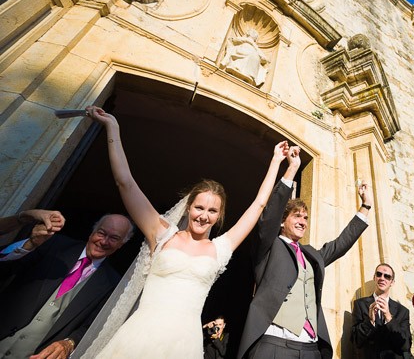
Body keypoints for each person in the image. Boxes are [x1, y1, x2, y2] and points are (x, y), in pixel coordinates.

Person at [83, 105, 289, 358]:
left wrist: (277, 162)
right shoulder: (162, 233)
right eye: (199, 207)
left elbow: (259, 205)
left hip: (184, 344)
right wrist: (112, 127)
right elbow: (125, 181)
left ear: (219, 216)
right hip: (140, 337)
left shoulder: (220, 248)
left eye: (212, 211)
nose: (204, 215)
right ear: (188, 207)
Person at [236, 154, 374, 359]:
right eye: (297, 216)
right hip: (274, 344)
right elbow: (270, 215)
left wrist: (366, 206)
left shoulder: (311, 254)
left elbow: (340, 244)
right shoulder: (268, 245)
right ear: (282, 222)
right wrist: (292, 169)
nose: (303, 222)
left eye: (306, 218)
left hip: (310, 348)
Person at [0, 213, 134, 359]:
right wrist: (30, 244)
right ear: (93, 232)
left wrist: (70, 343)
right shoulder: (55, 244)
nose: (104, 241)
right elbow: (5, 267)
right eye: (101, 233)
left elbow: (93, 326)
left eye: (114, 238)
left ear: (121, 244)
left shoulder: (113, 284)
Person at [351, 263, 412, 359]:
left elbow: (405, 345)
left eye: (387, 276)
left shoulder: (403, 311)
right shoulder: (360, 304)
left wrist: (389, 318)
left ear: (392, 282)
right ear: (374, 277)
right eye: (379, 274)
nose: (382, 278)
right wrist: (370, 321)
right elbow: (356, 341)